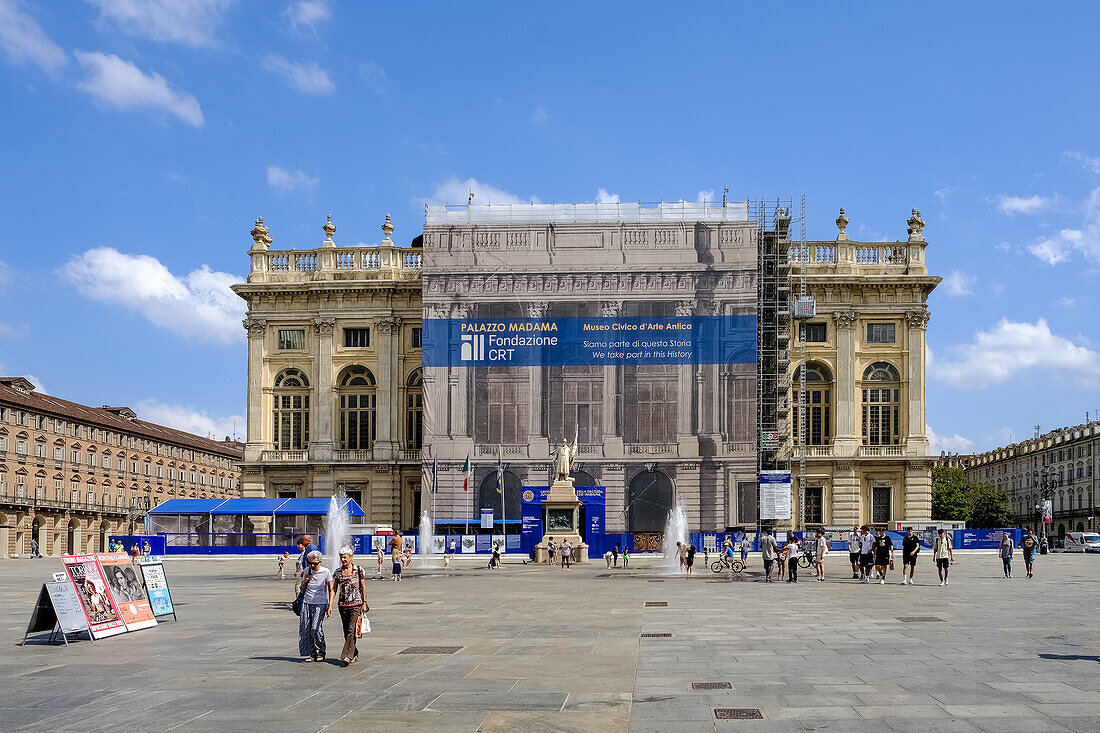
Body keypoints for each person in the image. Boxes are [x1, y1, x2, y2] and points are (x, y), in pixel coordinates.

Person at [330, 547, 367, 667]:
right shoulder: (337, 572)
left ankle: (347, 656)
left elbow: (363, 587)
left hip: (356, 604)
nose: (343, 559)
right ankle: (354, 651)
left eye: (345, 557)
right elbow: (334, 589)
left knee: (351, 630)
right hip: (342, 605)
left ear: (351, 557)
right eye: (341, 557)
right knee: (346, 631)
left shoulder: (358, 570)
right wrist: (330, 604)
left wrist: (364, 602)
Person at [297, 550, 333, 662]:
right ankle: (311, 653)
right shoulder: (307, 570)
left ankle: (321, 650)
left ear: (320, 562)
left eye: (315, 564)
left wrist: (330, 605)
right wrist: (305, 580)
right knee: (306, 628)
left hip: (320, 603)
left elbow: (331, 589)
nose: (312, 566)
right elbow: (302, 588)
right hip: (307, 603)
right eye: (310, 563)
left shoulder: (326, 572)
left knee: (315, 628)